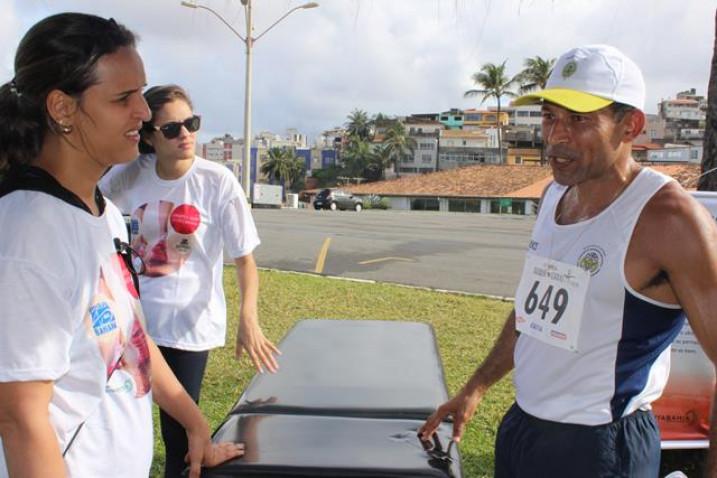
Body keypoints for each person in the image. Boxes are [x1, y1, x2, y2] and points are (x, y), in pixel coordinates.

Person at [420, 44, 717, 477]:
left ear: (630, 125)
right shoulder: (555, 195)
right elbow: (532, 313)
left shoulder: (669, 219)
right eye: (549, 117)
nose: (557, 135)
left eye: (579, 120)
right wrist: (476, 387)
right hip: (525, 429)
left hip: (600, 446)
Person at [0, 13, 242, 478]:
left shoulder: (103, 211)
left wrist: (194, 424)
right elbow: (21, 419)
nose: (145, 113)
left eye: (141, 92)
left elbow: (131, 336)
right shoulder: (28, 233)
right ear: (62, 108)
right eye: (122, 98)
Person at [100, 84, 280, 477]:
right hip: (132, 324)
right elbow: (88, 202)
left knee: (180, 440)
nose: (185, 135)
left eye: (191, 124)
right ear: (149, 136)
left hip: (186, 330)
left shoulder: (218, 182)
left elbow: (245, 261)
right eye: (171, 129)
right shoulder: (129, 175)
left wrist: (248, 318)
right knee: (118, 426)